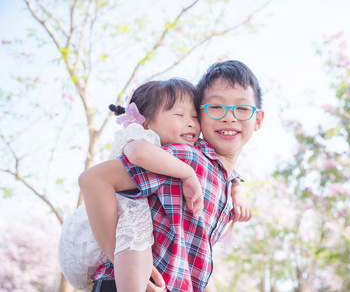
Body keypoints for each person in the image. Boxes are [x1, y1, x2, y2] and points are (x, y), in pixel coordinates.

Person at [79, 60, 264, 292]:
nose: (229, 117)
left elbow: (192, 255)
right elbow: (93, 179)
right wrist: (121, 262)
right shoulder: (181, 157)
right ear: (200, 114)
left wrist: (237, 187)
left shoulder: (225, 183)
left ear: (258, 119)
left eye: (243, 108)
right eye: (216, 107)